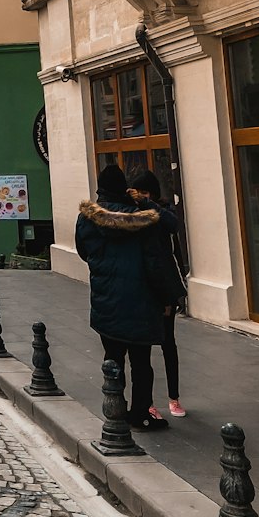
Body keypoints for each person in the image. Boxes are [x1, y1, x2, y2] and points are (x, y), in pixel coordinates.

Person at [75, 163, 180, 432]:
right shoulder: (142, 218)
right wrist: (167, 297)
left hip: (106, 300)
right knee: (141, 363)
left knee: (113, 357)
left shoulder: (87, 218)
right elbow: (163, 245)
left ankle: (115, 406)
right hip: (141, 302)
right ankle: (141, 414)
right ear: (125, 189)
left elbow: (84, 252)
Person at [129, 169, 188, 419]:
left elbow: (173, 225)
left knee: (168, 343)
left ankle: (174, 398)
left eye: (146, 191)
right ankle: (148, 402)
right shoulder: (134, 214)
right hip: (144, 288)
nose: (141, 196)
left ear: (152, 192)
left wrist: (147, 203)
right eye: (138, 192)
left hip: (165, 287)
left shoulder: (161, 211)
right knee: (142, 351)